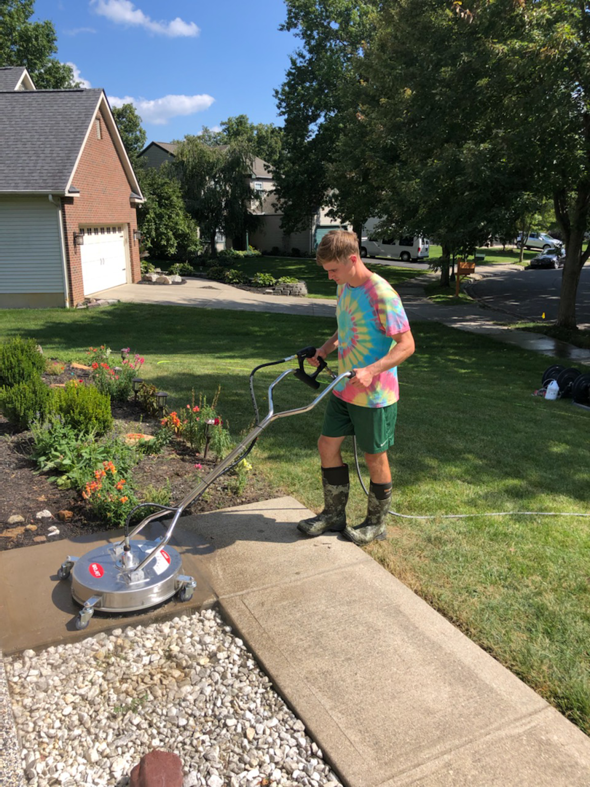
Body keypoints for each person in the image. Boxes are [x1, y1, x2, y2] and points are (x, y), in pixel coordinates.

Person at [298, 229, 415, 545]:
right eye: (327, 272)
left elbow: (407, 345)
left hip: (375, 394)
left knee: (375, 457)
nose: (330, 277)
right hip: (344, 388)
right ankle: (334, 515)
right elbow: (345, 326)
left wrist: (372, 370)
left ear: (353, 259)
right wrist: (325, 349)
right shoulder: (345, 287)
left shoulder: (382, 294)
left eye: (333, 270)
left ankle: (376, 524)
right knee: (326, 445)